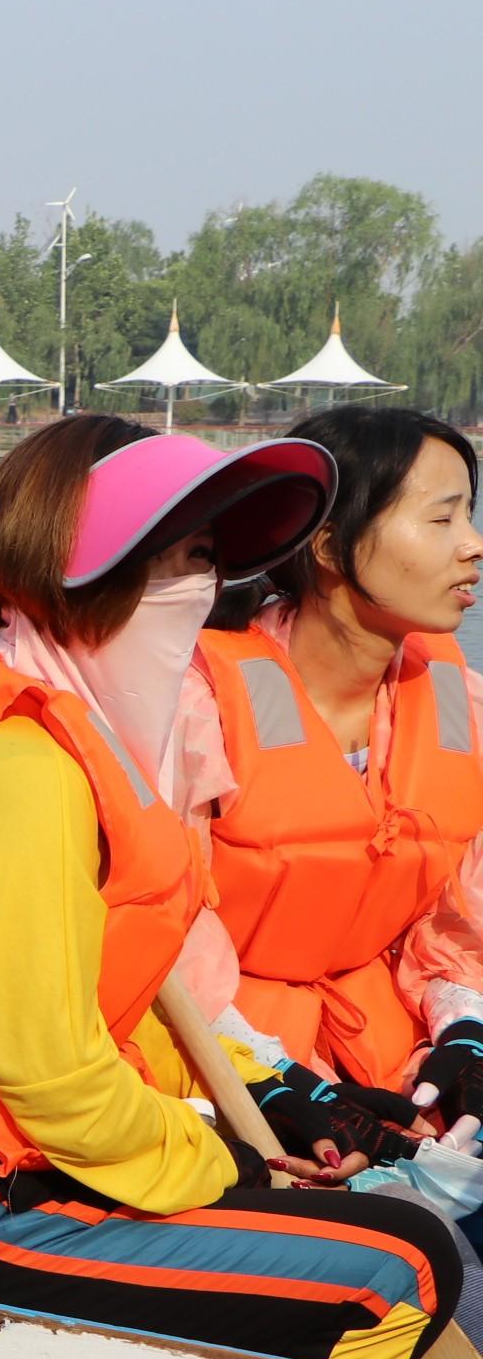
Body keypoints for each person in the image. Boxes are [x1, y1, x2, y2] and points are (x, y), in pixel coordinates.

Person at [0, 414, 464, 1359]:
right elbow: (53, 1078)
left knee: (358, 1215)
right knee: (401, 1267)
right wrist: (223, 1160)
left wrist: (250, 1106)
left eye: (208, 560)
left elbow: (121, 1005)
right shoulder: (16, 769)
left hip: (15, 1159)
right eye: (169, 559)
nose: (200, 592)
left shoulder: (78, 730)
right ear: (76, 569)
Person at [183, 408, 483, 1150]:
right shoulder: (197, 704)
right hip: (215, 1064)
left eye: (470, 518)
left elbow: (458, 925)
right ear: (326, 546)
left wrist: (466, 1029)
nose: (473, 547)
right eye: (442, 520)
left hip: (382, 1047)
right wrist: (270, 1076)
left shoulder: (461, 705)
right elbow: (157, 928)